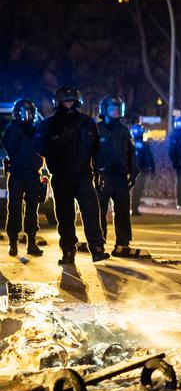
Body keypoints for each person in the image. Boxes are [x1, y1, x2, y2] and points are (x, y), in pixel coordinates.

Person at [37, 87, 110, 264]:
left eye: (71, 101)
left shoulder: (87, 122)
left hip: (84, 175)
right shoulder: (49, 125)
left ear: (77, 102)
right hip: (61, 177)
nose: (68, 104)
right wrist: (55, 158)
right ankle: (68, 250)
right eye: (65, 101)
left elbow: (96, 150)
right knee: (65, 216)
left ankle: (97, 249)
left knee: (91, 213)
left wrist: (100, 171)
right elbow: (40, 146)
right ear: (59, 103)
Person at [94, 97, 137, 253]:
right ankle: (98, 242)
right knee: (100, 211)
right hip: (103, 176)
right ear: (105, 110)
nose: (116, 112)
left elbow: (132, 153)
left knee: (123, 211)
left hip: (120, 177)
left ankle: (123, 243)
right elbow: (90, 154)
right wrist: (94, 174)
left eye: (118, 109)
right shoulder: (97, 129)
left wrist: (133, 173)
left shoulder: (124, 130)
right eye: (113, 109)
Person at [1, 99, 44, 256]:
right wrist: (20, 130)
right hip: (17, 174)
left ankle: (31, 242)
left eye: (30, 112)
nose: (28, 115)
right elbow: (9, 146)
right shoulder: (12, 128)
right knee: (14, 209)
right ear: (17, 113)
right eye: (24, 112)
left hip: (33, 174)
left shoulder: (37, 129)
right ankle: (13, 243)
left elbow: (43, 147)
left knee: (32, 210)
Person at [130, 124, 155, 216]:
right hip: (141, 170)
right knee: (137, 190)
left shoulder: (127, 143)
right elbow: (149, 158)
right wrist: (152, 169)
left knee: (125, 190)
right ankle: (134, 209)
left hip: (128, 170)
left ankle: (124, 209)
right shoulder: (144, 145)